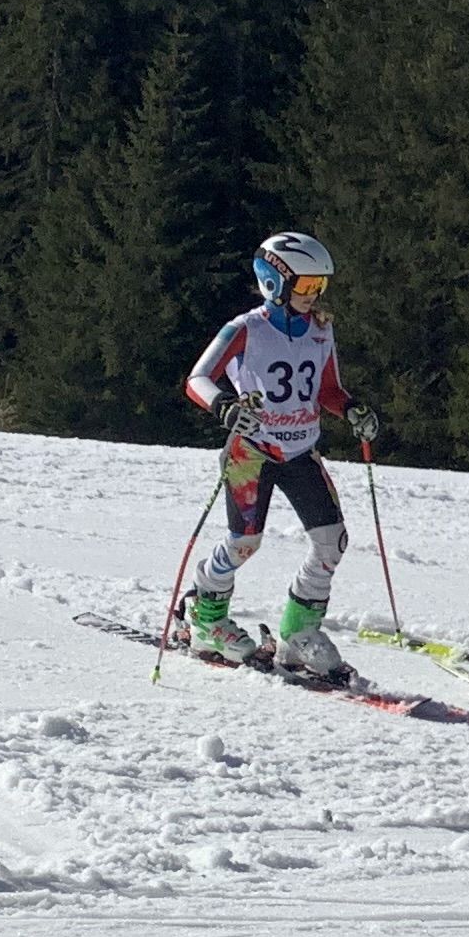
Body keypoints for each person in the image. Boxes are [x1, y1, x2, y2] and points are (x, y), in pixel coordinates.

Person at [177, 232, 378, 683]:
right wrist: (223, 406)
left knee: (333, 542)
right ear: (275, 282)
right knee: (243, 544)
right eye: (306, 286)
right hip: (252, 452)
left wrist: (350, 409)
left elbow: (326, 389)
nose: (314, 296)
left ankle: (299, 633)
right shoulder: (246, 329)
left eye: (319, 286)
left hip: (301, 450)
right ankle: (206, 619)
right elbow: (198, 378)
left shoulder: (321, 329)